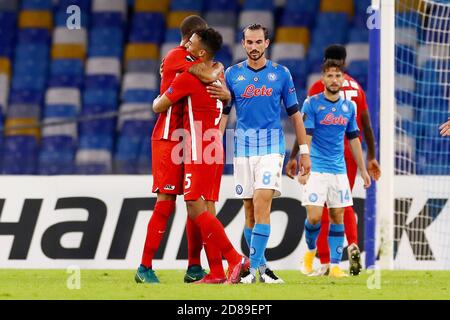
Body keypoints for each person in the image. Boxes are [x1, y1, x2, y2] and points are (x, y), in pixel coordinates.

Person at [152, 27, 249, 284]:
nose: (186, 45)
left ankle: (234, 258)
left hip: (197, 146)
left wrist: (163, 89)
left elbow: (159, 106)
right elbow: (226, 96)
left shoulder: (188, 77)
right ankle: (216, 272)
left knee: (194, 205)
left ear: (201, 51)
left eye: (191, 43)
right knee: (204, 207)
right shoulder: (220, 79)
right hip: (216, 146)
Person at [218, 24, 311, 284]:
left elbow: (295, 115)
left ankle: (256, 269)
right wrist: (216, 140)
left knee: (261, 202)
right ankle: (260, 268)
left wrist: (304, 152)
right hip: (242, 148)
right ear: (243, 44)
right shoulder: (232, 74)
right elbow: (224, 114)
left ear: (267, 43)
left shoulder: (281, 74)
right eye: (249, 42)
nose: (254, 47)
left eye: (259, 42)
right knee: (249, 210)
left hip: (271, 147)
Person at [136, 16, 224, 284]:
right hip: (168, 137)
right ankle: (144, 267)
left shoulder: (190, 59)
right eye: (200, 37)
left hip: (188, 138)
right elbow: (210, 72)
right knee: (166, 201)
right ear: (191, 39)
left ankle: (195, 267)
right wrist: (219, 69)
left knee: (193, 202)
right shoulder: (177, 56)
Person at [286, 44, 381, 276]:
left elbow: (353, 134)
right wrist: (371, 156)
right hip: (325, 159)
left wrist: (295, 156)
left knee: (335, 210)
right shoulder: (356, 88)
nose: (334, 77)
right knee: (331, 210)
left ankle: (331, 262)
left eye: (337, 74)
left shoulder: (322, 89)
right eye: (331, 74)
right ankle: (349, 244)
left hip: (339, 155)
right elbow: (367, 125)